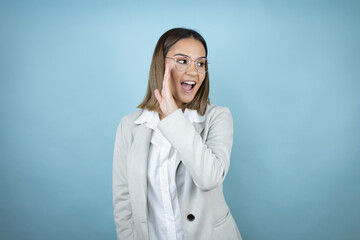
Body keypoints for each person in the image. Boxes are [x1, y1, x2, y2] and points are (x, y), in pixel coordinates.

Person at [112, 28, 242, 240]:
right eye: (183, 61)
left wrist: (173, 117)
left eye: (200, 63)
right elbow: (123, 204)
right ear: (160, 64)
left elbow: (209, 178)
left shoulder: (217, 117)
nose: (194, 72)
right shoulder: (130, 127)